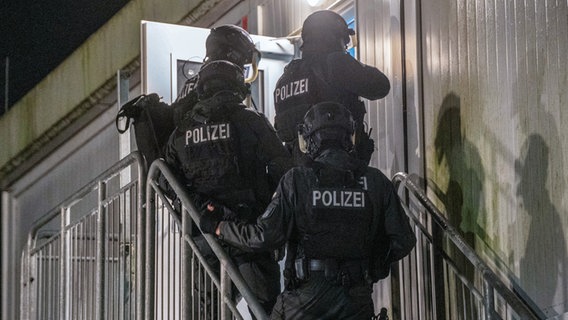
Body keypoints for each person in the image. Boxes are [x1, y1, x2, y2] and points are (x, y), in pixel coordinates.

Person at [200, 101, 416, 319]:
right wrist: (373, 265)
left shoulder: (296, 180)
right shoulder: (376, 180)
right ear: (349, 137)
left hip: (303, 303)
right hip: (355, 300)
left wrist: (219, 226)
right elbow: (404, 240)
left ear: (310, 139)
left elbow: (263, 236)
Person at [164, 59, 292, 317]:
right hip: (249, 232)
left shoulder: (181, 132)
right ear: (237, 87)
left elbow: (168, 181)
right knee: (266, 311)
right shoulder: (250, 120)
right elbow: (283, 169)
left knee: (210, 312)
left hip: (206, 235)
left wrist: (202, 209)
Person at [273, 10, 391, 165]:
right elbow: (381, 85)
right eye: (345, 41)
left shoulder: (284, 79)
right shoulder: (334, 63)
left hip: (299, 177)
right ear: (334, 37)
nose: (346, 46)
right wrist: (348, 61)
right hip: (338, 170)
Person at [172, 24, 261, 123]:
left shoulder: (195, 81)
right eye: (243, 61)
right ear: (232, 55)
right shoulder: (220, 83)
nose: (243, 69)